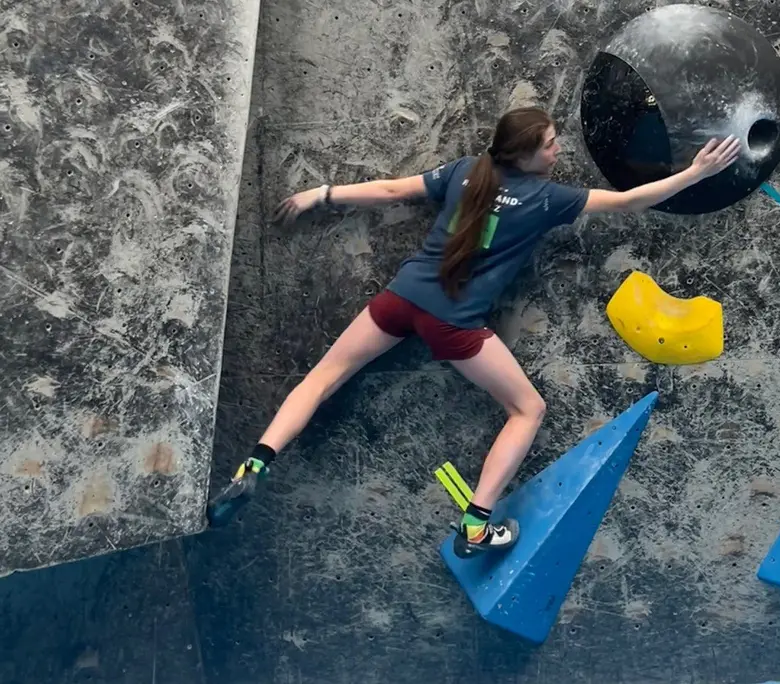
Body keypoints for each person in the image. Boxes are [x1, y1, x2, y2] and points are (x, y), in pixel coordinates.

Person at [207, 106, 741, 558]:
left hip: (402, 299)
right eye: (550, 146)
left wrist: (320, 194)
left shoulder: (466, 171)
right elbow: (628, 202)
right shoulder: (547, 199)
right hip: (453, 326)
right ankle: (477, 525)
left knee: (323, 378)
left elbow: (393, 190)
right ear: (525, 156)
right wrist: (695, 172)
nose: (557, 152)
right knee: (527, 410)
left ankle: (255, 462)